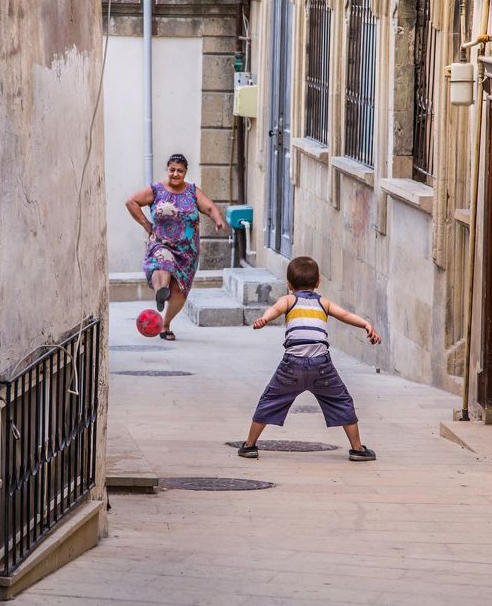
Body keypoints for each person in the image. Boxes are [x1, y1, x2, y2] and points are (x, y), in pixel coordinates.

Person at [239, 256, 380, 461]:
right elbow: (345, 315)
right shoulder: (323, 302)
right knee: (341, 401)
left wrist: (264, 319)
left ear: (289, 284)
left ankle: (249, 445)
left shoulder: (288, 299)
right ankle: (357, 448)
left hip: (292, 366)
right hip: (321, 365)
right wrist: (366, 325)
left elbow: (275, 310)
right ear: (318, 282)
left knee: (270, 400)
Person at [125, 153, 229, 340]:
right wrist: (147, 225)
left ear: (185, 172)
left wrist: (218, 219)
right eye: (172, 170)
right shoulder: (156, 190)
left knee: (181, 291)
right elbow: (131, 202)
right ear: (167, 169)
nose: (175, 174)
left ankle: (165, 325)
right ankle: (161, 291)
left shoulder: (192, 191)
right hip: (161, 243)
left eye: (179, 171)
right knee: (163, 263)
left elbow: (210, 208)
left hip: (187, 251)